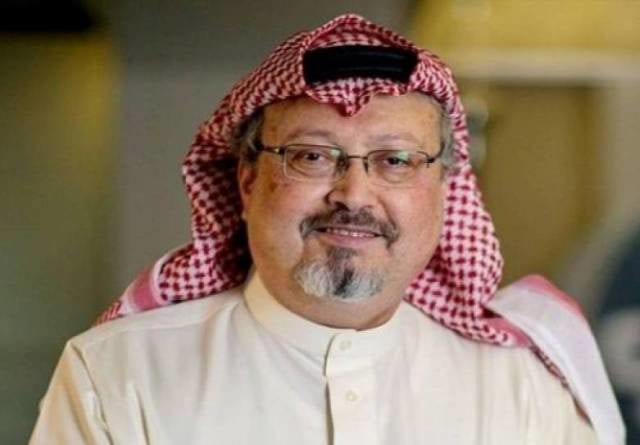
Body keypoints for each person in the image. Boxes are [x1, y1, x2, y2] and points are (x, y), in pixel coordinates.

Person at [30, 14, 625, 444]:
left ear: (445, 190)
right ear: (246, 181)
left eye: (396, 160)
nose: (354, 195)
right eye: (312, 157)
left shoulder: (521, 389)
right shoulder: (120, 373)